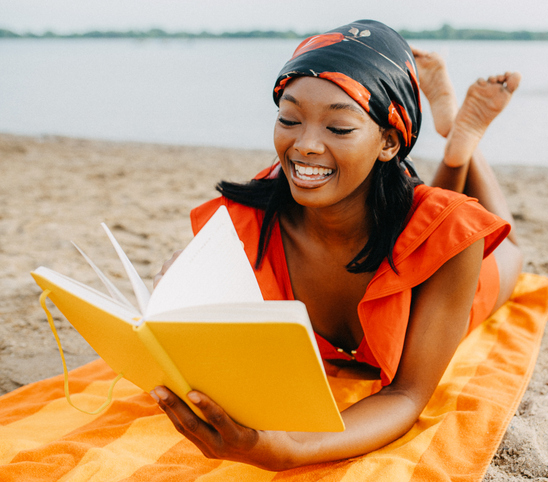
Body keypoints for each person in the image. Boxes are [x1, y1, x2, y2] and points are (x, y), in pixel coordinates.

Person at [150, 19, 523, 470]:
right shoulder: (242, 225)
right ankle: (453, 142)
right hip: (383, 197)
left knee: (505, 247)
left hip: (433, 266)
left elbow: (406, 395)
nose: (305, 145)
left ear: (389, 141)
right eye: (289, 119)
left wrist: (292, 450)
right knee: (430, 215)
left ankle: (461, 147)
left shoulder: (450, 246)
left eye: (338, 128)